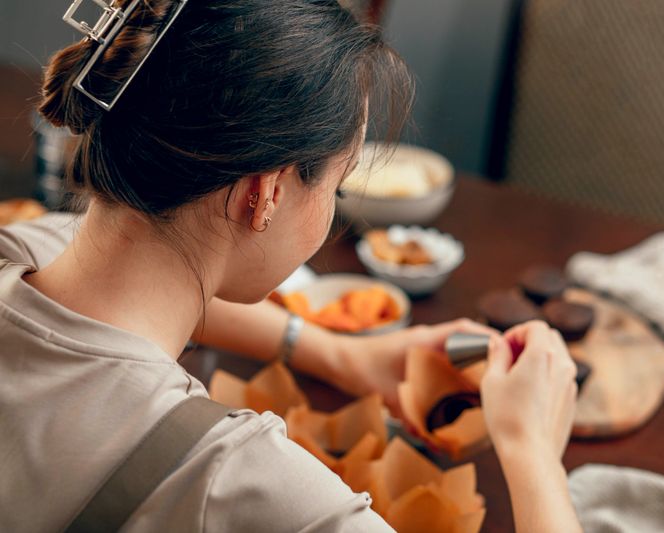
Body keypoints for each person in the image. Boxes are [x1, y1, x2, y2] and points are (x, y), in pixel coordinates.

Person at [0, 0, 581, 531]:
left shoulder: (15, 253)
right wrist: (533, 456)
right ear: (268, 193)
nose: (332, 212)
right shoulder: (241, 483)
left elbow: (80, 258)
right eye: (338, 185)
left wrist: (336, 352)